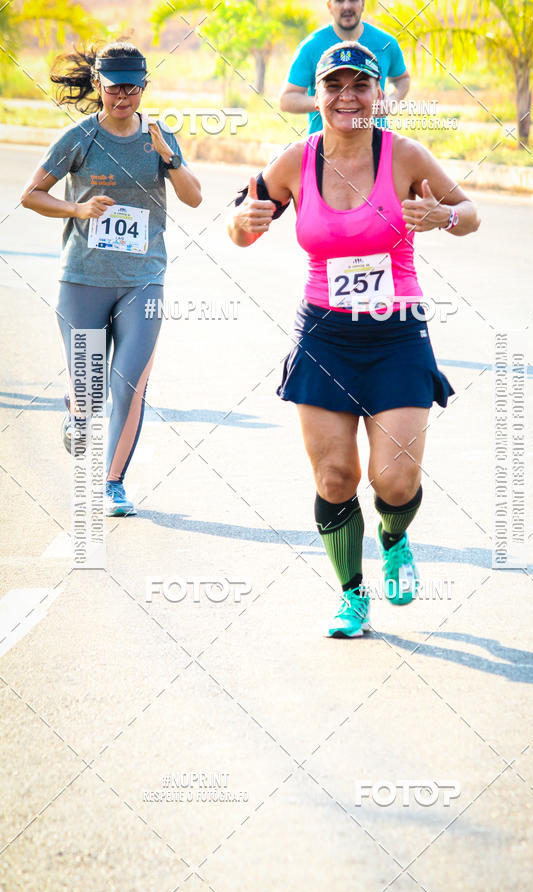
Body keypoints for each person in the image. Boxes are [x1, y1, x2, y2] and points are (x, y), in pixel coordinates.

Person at [230, 42, 480, 638]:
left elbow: (469, 212)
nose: (348, 98)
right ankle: (352, 594)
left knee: (395, 481)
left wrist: (441, 217)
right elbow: (242, 221)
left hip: (396, 335)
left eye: (360, 86)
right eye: (335, 86)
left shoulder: (405, 155)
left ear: (379, 94)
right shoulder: (296, 160)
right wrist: (243, 223)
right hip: (325, 333)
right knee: (336, 478)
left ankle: (394, 539)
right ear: (316, 96)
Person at [20, 41, 202, 516]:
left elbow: (195, 198)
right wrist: (77, 208)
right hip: (82, 277)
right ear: (98, 85)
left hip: (144, 278)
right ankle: (78, 410)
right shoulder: (79, 137)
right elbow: (31, 195)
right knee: (90, 388)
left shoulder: (159, 137)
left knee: (130, 384)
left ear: (144, 86)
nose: (124, 96)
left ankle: (113, 483)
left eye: (133, 87)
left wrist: (172, 159)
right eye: (114, 87)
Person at [279, 0, 410, 134]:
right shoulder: (311, 47)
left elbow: (402, 79)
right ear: (329, 6)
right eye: (339, 1)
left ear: (363, 4)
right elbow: (287, 100)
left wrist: (392, 100)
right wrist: (329, 100)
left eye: (353, 0)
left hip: (375, 143)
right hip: (325, 147)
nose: (347, 6)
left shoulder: (386, 43)